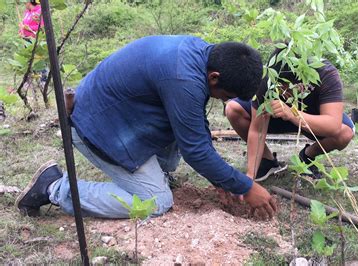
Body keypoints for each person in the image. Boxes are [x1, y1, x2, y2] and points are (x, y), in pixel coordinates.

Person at [15, 35, 278, 219]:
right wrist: (245, 186)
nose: (222, 101)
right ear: (214, 77)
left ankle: (154, 173)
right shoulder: (183, 78)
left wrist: (220, 178)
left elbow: (195, 125)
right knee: (156, 202)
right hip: (95, 127)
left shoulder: (200, 54)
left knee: (187, 129)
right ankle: (52, 188)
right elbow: (195, 150)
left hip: (116, 113)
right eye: (224, 95)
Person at [225, 48, 355, 181]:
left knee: (344, 133)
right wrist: (250, 177)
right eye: (279, 88)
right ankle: (267, 161)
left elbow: (332, 125)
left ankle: (307, 155)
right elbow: (257, 131)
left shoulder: (326, 73)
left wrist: (293, 114)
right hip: (276, 118)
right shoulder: (268, 77)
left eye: (287, 89)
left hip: (311, 118)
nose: (283, 92)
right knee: (233, 108)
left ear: (301, 83)